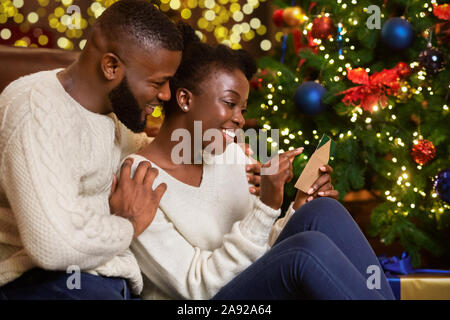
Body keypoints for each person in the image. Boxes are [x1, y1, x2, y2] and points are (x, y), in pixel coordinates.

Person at [124, 24, 395, 300]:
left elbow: (260, 255)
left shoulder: (229, 157)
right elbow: (197, 287)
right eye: (230, 104)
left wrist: (296, 209)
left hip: (249, 293)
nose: (240, 119)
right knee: (305, 250)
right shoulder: (137, 179)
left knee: (322, 211)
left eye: (242, 109)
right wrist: (265, 206)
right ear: (184, 99)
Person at [0, 0, 182, 300]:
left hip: (105, 278)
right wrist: (129, 223)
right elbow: (53, 245)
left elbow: (147, 151)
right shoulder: (34, 111)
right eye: (158, 83)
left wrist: (222, 155)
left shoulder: (112, 112)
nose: (165, 94)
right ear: (111, 66)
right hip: (39, 282)